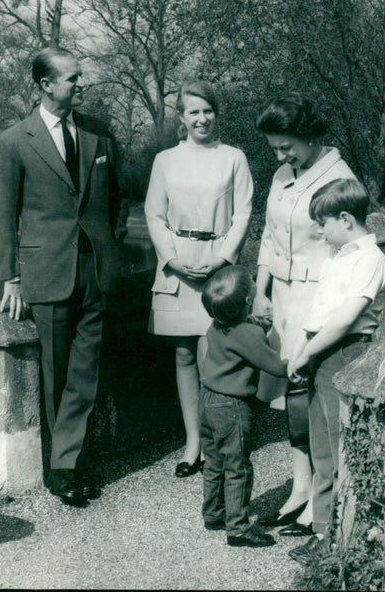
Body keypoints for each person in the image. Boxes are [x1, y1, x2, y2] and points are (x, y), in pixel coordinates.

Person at [0, 47, 127, 507]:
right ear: (45, 85)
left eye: (80, 76)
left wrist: (110, 243)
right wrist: (11, 278)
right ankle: (60, 467)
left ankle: (70, 462)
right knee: (56, 373)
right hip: (45, 272)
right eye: (72, 78)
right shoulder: (14, 141)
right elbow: (2, 215)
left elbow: (118, 200)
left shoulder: (98, 135)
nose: (80, 84)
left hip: (95, 270)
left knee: (86, 372)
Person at [252, 92, 357, 537]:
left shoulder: (339, 176)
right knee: (291, 397)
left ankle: (320, 496)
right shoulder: (280, 174)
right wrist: (261, 291)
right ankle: (298, 489)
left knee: (313, 396)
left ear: (310, 135)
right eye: (275, 147)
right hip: (284, 297)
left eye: (287, 146)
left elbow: (349, 247)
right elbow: (269, 234)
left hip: (318, 297)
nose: (281, 155)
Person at [145, 81, 253, 478]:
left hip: (217, 265)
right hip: (176, 265)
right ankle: (192, 443)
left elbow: (243, 213)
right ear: (182, 117)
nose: (202, 118)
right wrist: (171, 260)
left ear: (216, 113)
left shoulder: (234, 158)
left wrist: (222, 259)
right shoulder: (165, 160)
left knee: (214, 353)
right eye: (194, 112)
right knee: (184, 355)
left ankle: (217, 442)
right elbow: (154, 215)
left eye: (208, 111)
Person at [284, 178, 385, 565]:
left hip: (345, 356)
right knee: (321, 450)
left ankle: (341, 539)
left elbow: (344, 320)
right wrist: (299, 353)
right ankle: (324, 532)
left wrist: (306, 354)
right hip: (321, 356)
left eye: (322, 222)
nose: (317, 230)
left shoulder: (370, 260)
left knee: (340, 449)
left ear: (345, 219)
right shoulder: (340, 256)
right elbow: (316, 313)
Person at [199, 265, 288, 548]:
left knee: (214, 461)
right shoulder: (249, 333)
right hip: (232, 406)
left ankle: (214, 513)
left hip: (207, 400)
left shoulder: (216, 325)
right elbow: (275, 366)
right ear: (248, 302)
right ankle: (237, 527)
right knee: (238, 466)